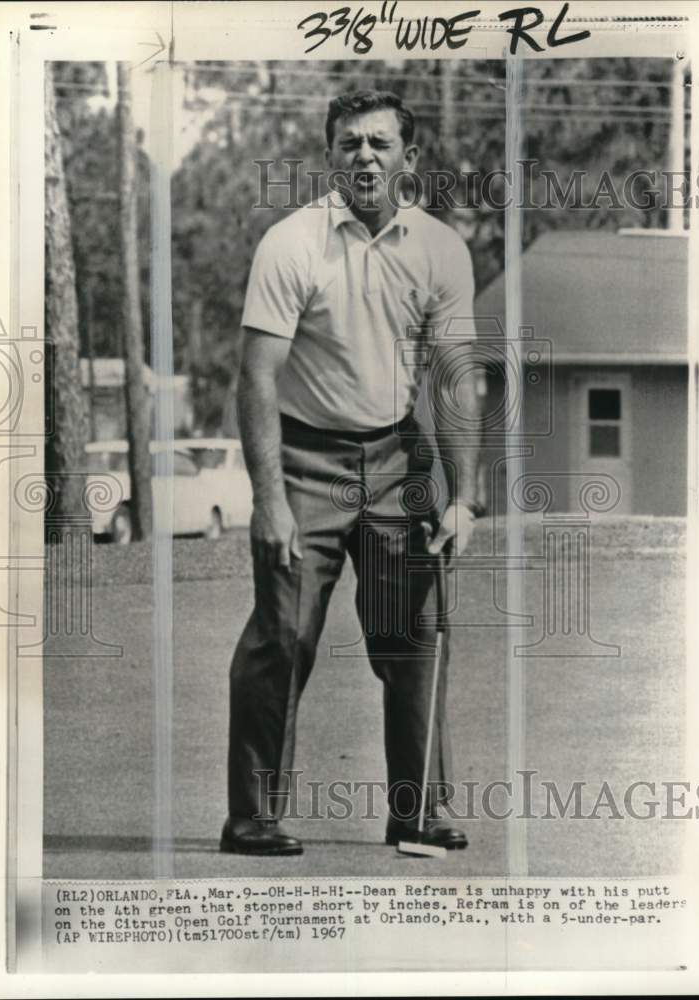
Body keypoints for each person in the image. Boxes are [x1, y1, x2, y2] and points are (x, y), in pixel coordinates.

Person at [221, 90, 480, 856]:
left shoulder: (440, 248)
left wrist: (465, 495)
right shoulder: (291, 243)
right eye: (348, 145)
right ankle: (253, 817)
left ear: (408, 157)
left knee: (414, 633)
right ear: (330, 156)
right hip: (305, 458)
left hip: (398, 457)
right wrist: (270, 501)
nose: (363, 157)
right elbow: (255, 377)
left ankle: (417, 813)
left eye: (378, 143)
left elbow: (457, 373)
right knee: (284, 632)